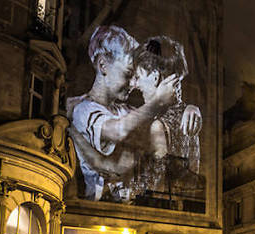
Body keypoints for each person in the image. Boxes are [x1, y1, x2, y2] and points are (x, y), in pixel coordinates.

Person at [67, 25, 200, 202]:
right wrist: (157, 101)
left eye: (135, 76)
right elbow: (117, 132)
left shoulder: (125, 111)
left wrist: (189, 108)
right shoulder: (85, 110)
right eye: (129, 74)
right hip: (101, 207)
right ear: (103, 65)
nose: (133, 84)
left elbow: (148, 119)